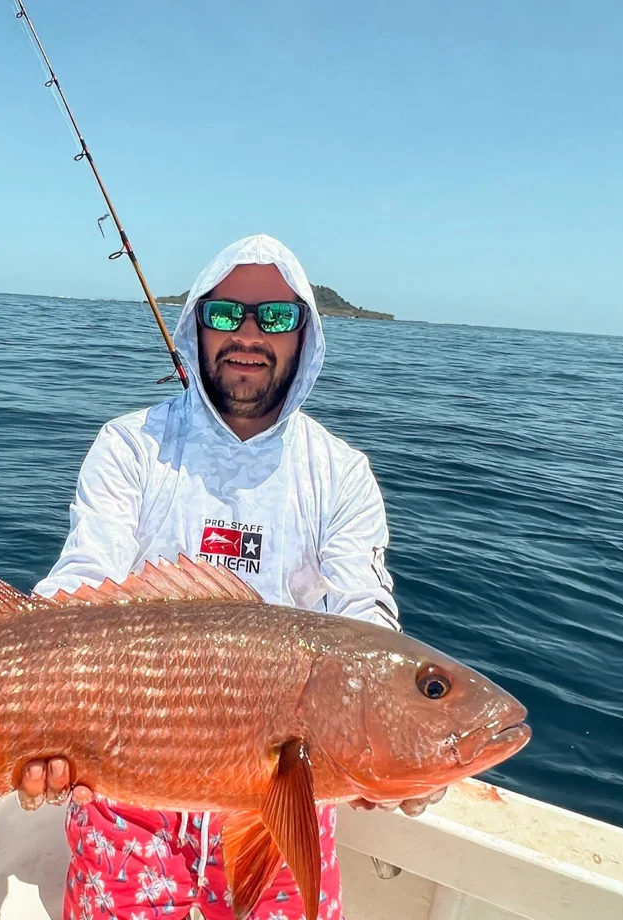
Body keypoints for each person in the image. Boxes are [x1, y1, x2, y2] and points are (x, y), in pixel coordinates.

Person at [22, 234, 440, 920]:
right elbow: (82, 579)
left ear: (305, 335)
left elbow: (364, 615)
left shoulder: (341, 474)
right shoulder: (130, 447)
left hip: (290, 805)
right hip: (126, 794)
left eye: (275, 317)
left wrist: (404, 741)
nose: (249, 335)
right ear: (196, 323)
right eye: (226, 315)